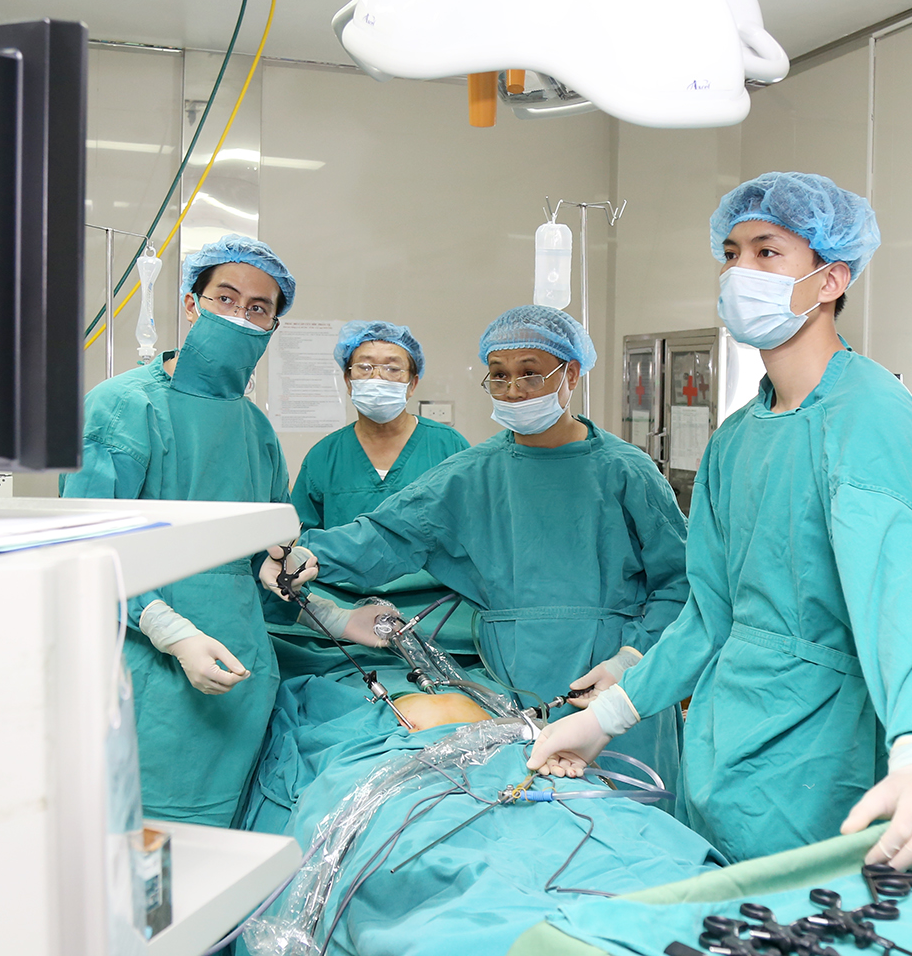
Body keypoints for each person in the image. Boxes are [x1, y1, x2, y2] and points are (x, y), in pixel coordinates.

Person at [527, 172, 912, 871]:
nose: (740, 272)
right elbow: (709, 616)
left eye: (768, 253)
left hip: (817, 754)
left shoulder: (869, 416)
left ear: (831, 279)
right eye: (731, 254)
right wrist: (604, 719)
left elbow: (899, 605)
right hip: (720, 742)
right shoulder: (736, 437)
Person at [260, 305, 687, 789]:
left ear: (571, 374)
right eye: (499, 375)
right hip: (516, 679)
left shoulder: (627, 471)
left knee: (634, 809)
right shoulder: (471, 474)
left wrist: (631, 659)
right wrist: (309, 555)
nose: (513, 390)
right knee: (530, 808)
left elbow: (680, 583)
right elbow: (386, 534)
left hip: (617, 686)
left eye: (530, 374)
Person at [60, 233, 298, 828]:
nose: (240, 316)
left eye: (258, 308)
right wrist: (171, 631)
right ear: (191, 303)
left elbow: (266, 550)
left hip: (240, 674)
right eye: (225, 298)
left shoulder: (256, 429)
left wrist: (288, 570)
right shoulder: (123, 406)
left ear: (272, 325)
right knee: (138, 847)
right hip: (146, 677)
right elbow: (87, 551)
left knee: (220, 852)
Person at [273, 322, 474, 679]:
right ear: (348, 380)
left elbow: (475, 537)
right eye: (365, 367)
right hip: (342, 612)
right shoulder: (325, 456)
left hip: (438, 612)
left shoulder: (448, 447)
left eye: (393, 368)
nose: (377, 377)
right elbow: (297, 544)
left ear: (412, 382)